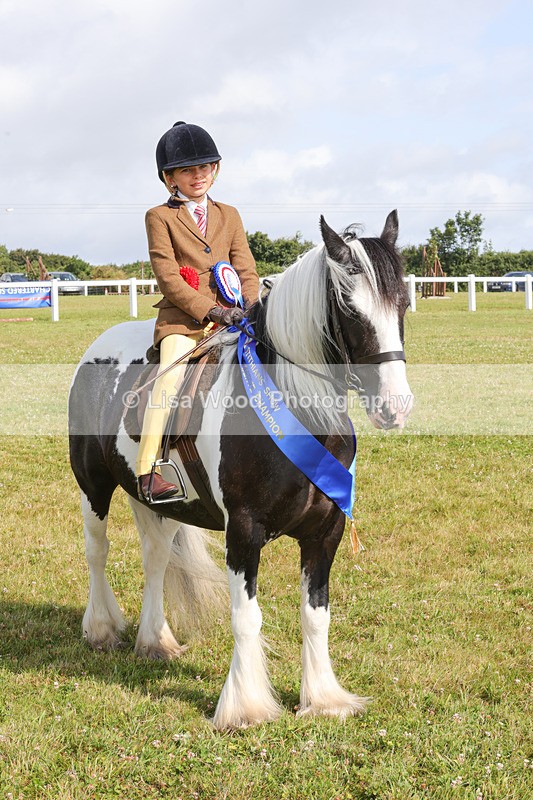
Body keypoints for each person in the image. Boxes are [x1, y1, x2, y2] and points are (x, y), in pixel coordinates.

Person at [136, 121, 260, 501]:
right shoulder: (159, 217)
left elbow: (246, 268)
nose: (198, 176)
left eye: (204, 167)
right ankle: (148, 470)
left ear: (215, 170)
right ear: (169, 177)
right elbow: (168, 277)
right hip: (184, 322)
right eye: (188, 170)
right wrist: (211, 311)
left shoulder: (230, 214)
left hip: (235, 315)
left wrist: (252, 307)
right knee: (169, 379)